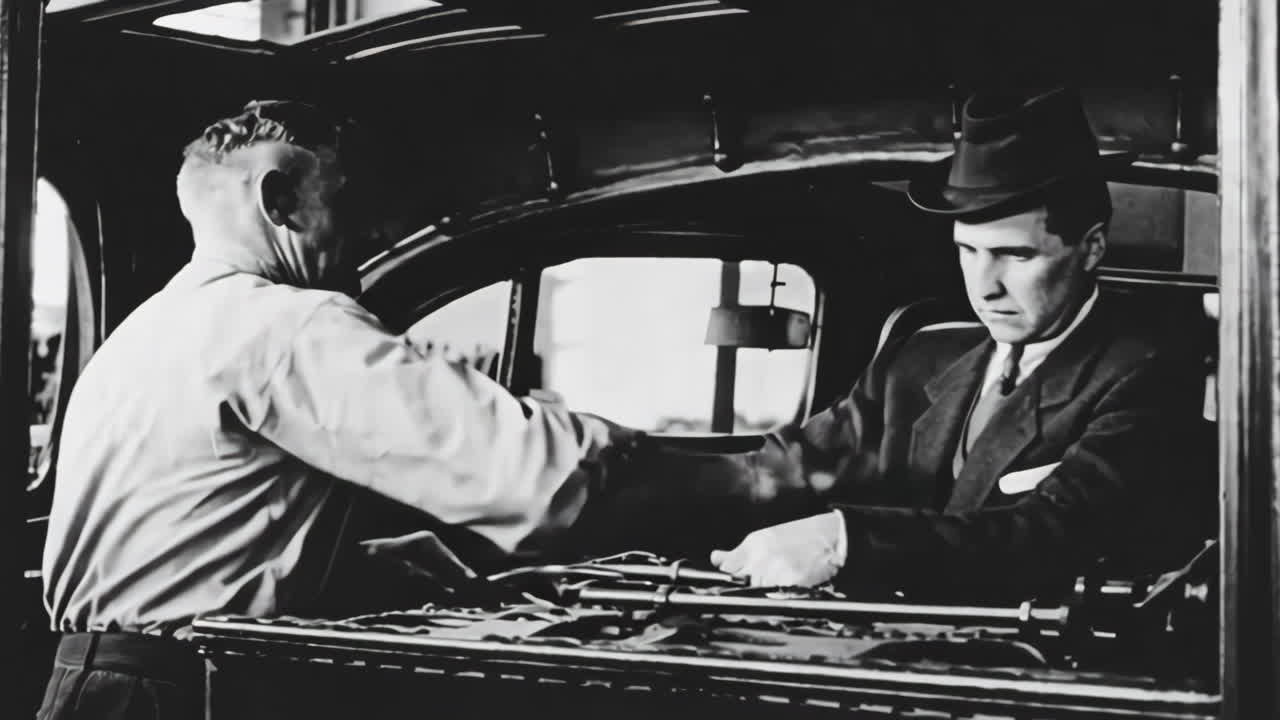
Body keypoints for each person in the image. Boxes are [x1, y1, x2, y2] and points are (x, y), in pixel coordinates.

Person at [36, 100, 630, 720]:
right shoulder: (287, 322)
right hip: (180, 694)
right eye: (347, 206)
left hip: (83, 684)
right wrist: (738, 477)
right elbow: (537, 478)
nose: (371, 235)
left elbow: (186, 534)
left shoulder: (140, 336)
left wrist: (353, 567)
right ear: (281, 202)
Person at [709, 87, 1209, 600]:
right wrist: (634, 463)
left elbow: (1052, 535)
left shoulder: (1150, 372)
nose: (984, 285)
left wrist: (844, 542)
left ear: (1092, 248)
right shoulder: (917, 359)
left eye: (1014, 255)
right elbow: (785, 470)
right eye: (967, 251)